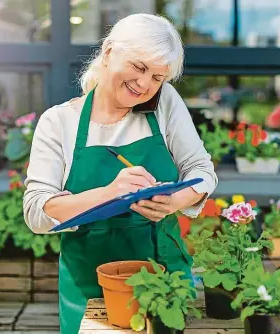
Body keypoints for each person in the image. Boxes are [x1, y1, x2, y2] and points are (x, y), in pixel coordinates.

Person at [23, 14, 217, 333]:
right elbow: (36, 211)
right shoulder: (58, 123)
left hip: (163, 280)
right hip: (89, 287)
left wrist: (176, 200)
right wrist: (110, 192)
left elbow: (202, 171)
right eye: (139, 67)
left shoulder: (164, 103)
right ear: (110, 51)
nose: (144, 84)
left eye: (157, 77)